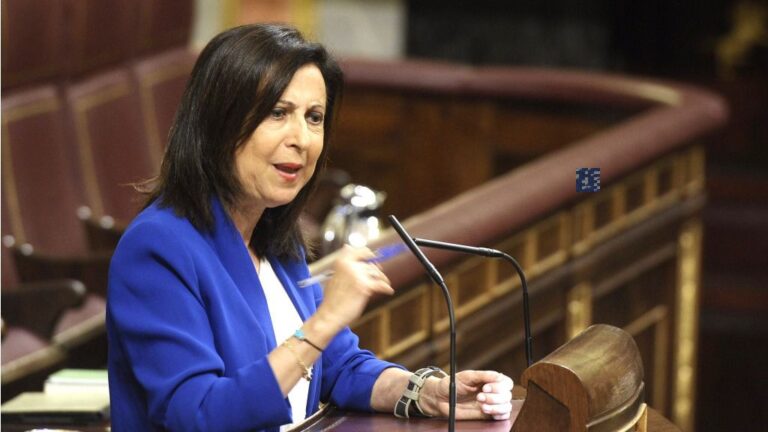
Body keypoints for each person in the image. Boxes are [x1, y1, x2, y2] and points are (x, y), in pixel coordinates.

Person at [106, 23, 513, 431]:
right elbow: (200, 415)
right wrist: (323, 322)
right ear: (218, 123)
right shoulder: (158, 248)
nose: (301, 138)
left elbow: (338, 366)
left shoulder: (276, 241)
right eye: (278, 113)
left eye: (314, 117)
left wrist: (423, 392)